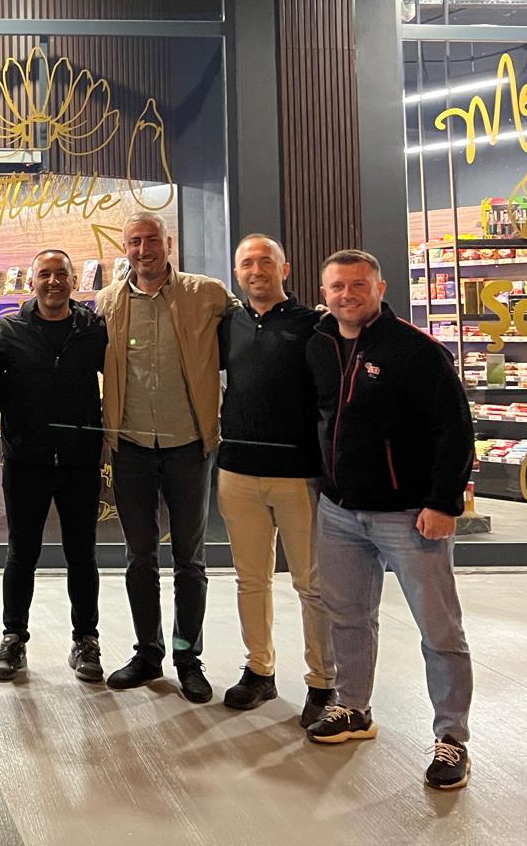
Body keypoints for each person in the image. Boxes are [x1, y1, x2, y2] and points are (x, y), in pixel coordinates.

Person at [305, 249, 474, 792]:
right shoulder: (319, 344)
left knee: (439, 630)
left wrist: (443, 502)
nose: (347, 295)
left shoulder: (417, 350)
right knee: (349, 618)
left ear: (380, 288)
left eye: (359, 285)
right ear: (324, 293)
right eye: (337, 286)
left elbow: (455, 429)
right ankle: (353, 708)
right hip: (339, 512)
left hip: (409, 516)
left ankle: (452, 737)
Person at [94, 212, 236, 704]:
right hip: (131, 447)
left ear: (168, 243)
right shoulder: (108, 302)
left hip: (189, 447)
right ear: (126, 248)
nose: (143, 249)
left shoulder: (207, 294)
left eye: (151, 240)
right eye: (134, 241)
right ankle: (148, 653)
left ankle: (187, 658)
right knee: (139, 558)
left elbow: (256, 323)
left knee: (190, 560)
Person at [217, 234, 336, 727]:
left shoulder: (314, 325)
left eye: (265, 261)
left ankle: (323, 682)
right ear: (237, 273)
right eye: (247, 263)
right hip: (237, 470)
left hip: (298, 475)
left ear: (284, 269)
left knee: (312, 584)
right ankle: (259, 671)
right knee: (250, 580)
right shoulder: (228, 323)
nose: (256, 270)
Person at [0, 248, 108, 686]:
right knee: (22, 553)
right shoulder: (10, 329)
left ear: (73, 280)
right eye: (45, 274)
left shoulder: (93, 329)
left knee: (82, 554)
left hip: (79, 459)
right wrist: (23, 419)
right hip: (26, 459)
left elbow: (116, 375)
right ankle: (13, 637)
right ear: (33, 281)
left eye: (61, 274)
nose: (53, 281)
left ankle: (86, 639)